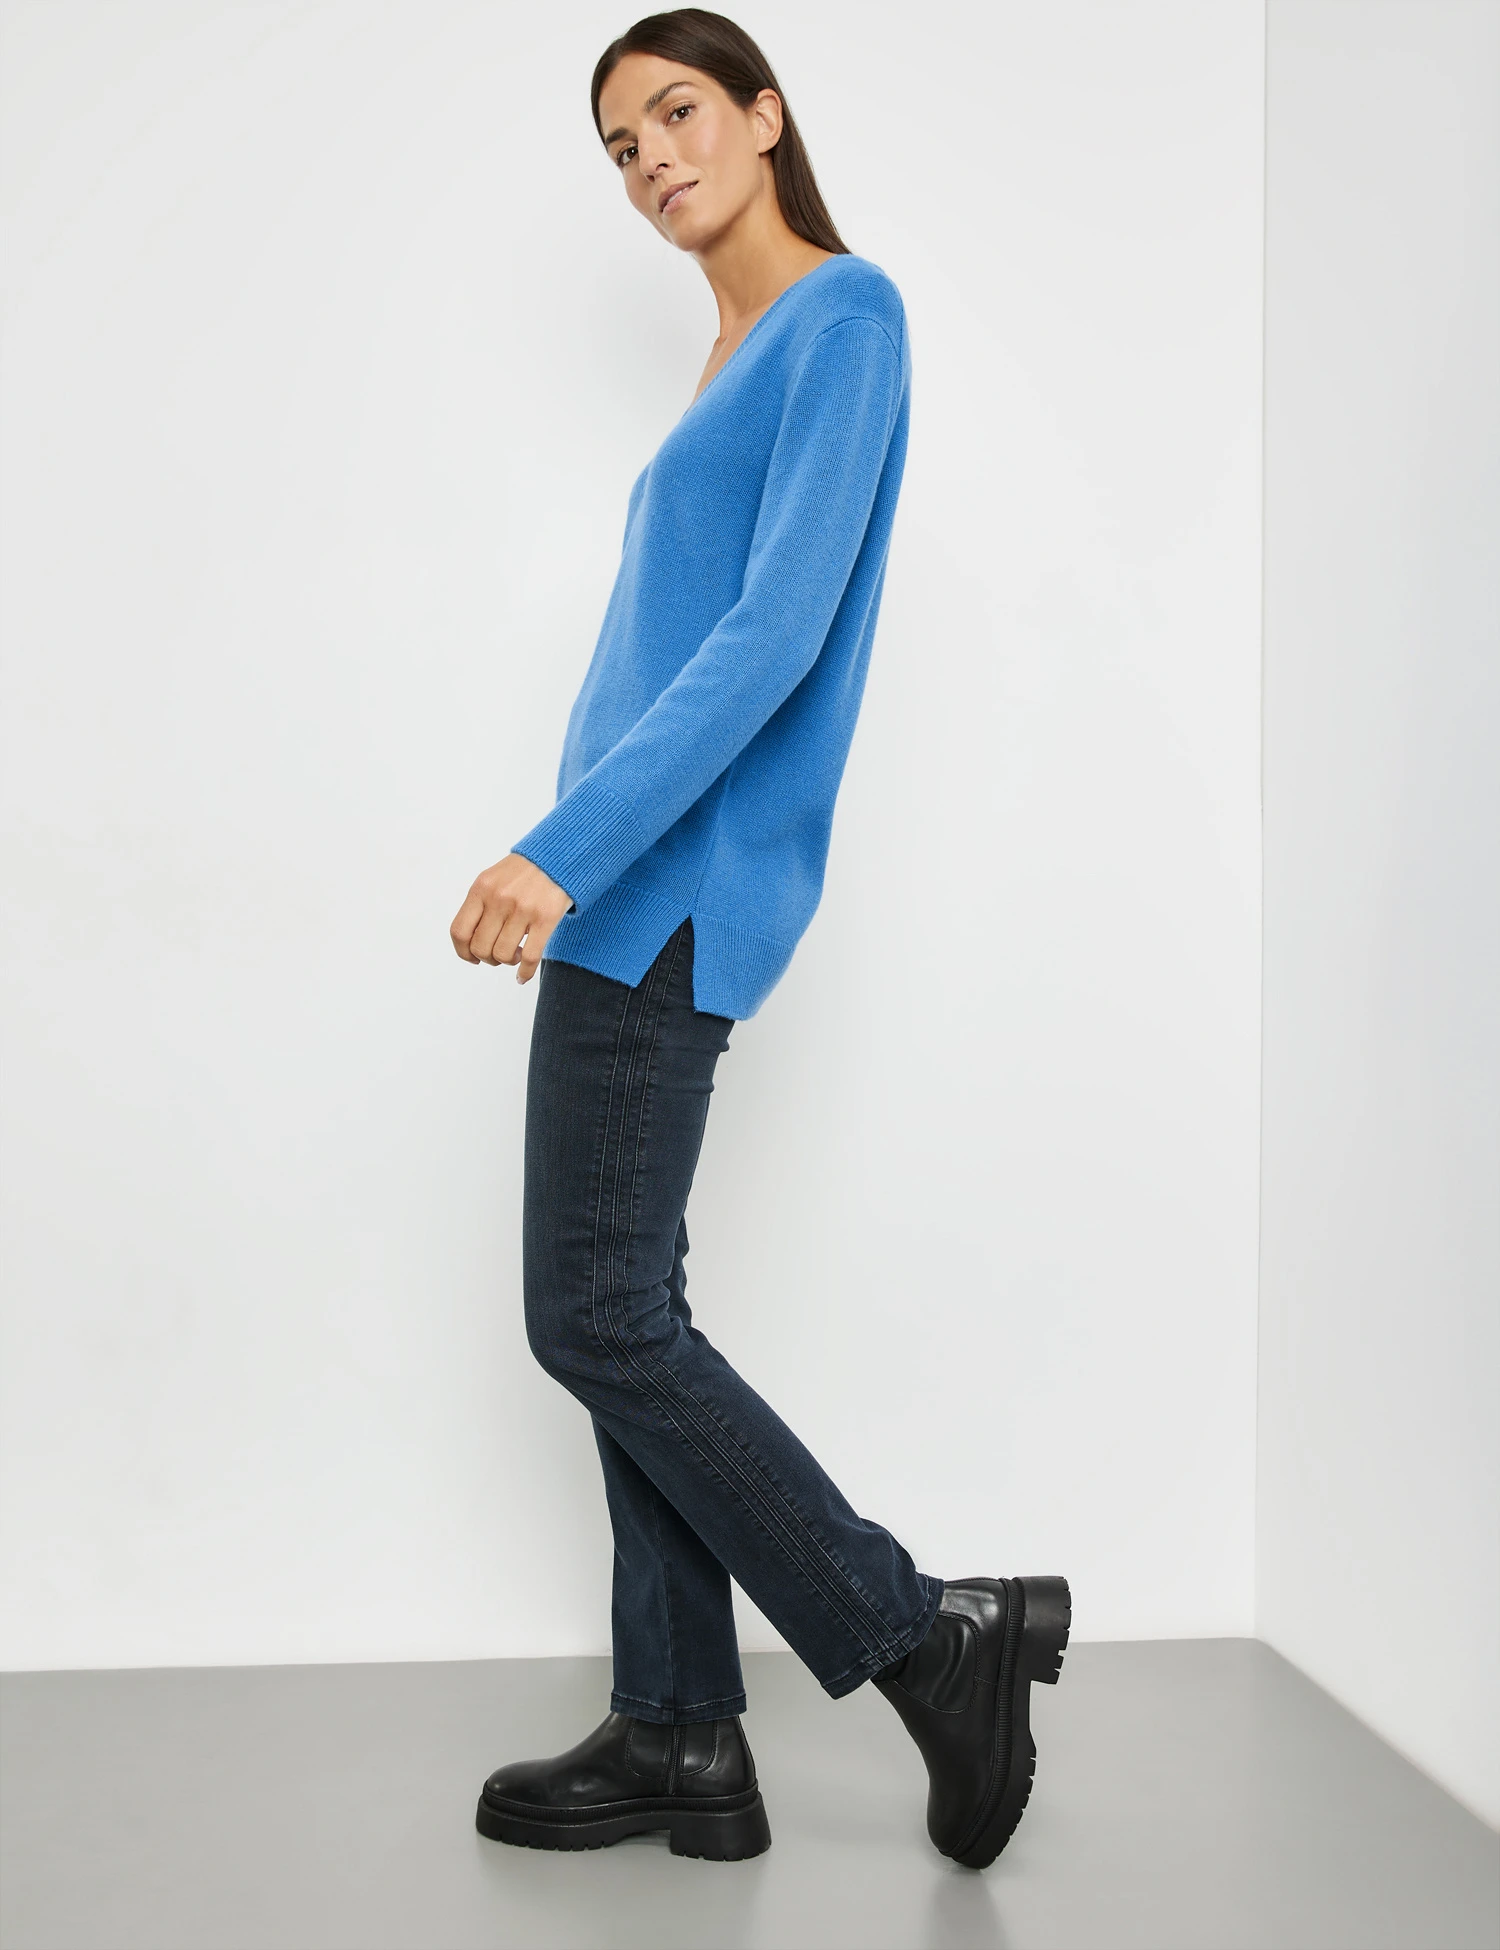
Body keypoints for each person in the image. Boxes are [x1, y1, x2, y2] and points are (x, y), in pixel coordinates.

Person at [450, 7, 1070, 1871]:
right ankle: (682, 1729)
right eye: (620, 146)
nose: (651, 158)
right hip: (624, 893)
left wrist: (561, 849)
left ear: (764, 113)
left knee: (597, 1314)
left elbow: (773, 638)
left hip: (662, 892)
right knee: (620, 1312)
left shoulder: (841, 318)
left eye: (676, 112)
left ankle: (925, 1635)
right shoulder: (729, 355)